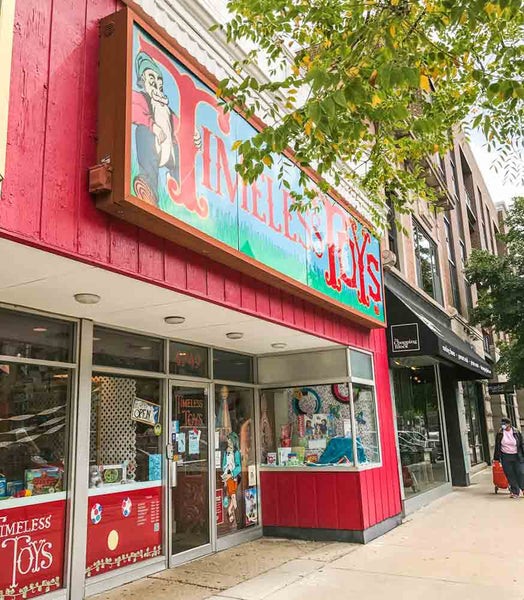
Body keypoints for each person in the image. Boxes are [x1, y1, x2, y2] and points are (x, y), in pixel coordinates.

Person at [493, 418, 524, 498]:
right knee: (510, 474)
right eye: (502, 424)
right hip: (505, 456)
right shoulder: (500, 433)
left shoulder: (516, 432)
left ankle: (523, 488)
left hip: (517, 456)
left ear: (509, 424)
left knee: (520, 472)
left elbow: (521, 444)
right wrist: (496, 459)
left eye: (504, 424)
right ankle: (515, 492)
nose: (503, 425)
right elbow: (497, 446)